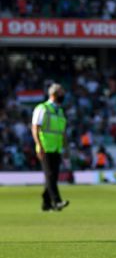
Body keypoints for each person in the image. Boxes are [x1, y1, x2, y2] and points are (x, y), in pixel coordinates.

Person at [31, 83, 70, 212]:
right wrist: (39, 144)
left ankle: (46, 202)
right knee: (50, 175)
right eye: (61, 92)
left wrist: (66, 147)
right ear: (53, 94)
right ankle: (57, 201)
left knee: (53, 176)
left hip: (57, 148)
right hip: (45, 147)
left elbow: (62, 132)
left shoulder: (60, 112)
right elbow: (35, 127)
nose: (63, 95)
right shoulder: (42, 108)